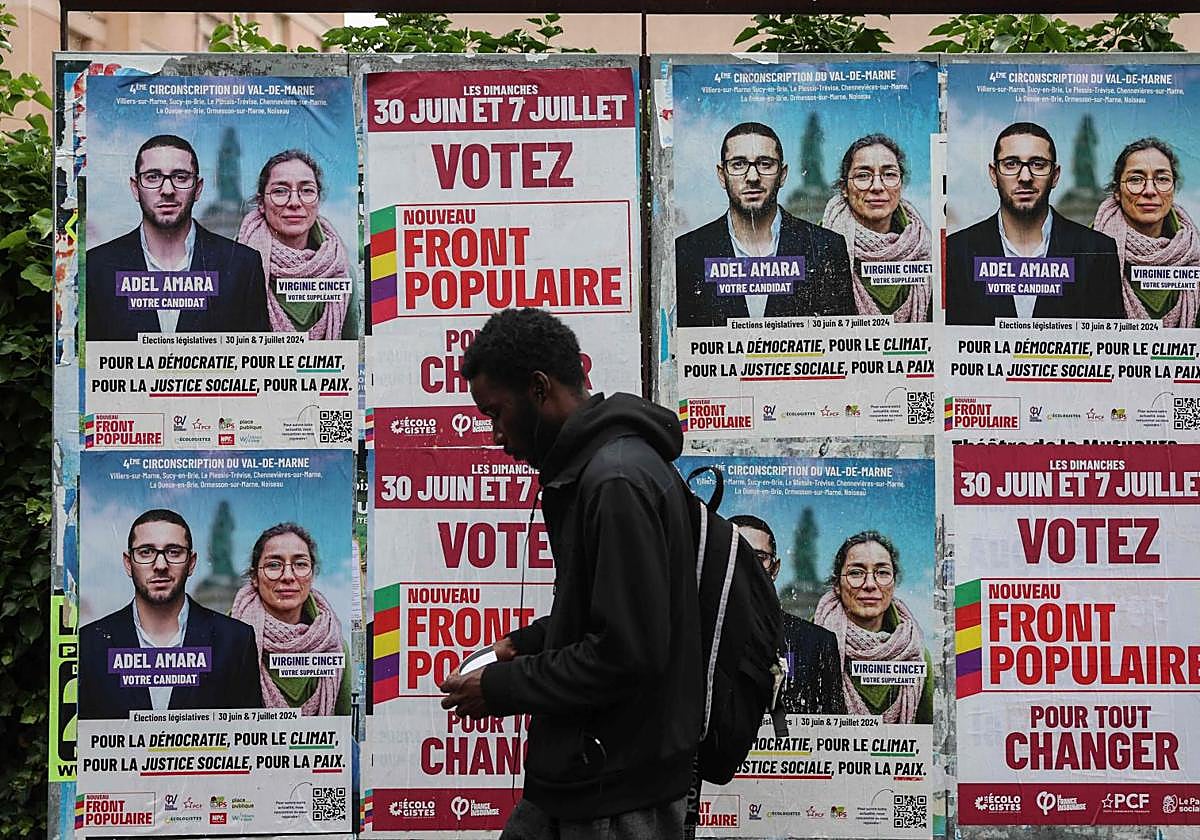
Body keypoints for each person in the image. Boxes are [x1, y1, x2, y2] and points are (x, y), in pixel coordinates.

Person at [439, 308, 701, 840]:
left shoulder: (615, 482)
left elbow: (627, 654)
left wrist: (502, 688)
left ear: (539, 389)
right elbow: (606, 613)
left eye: (496, 413)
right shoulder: (597, 471)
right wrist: (525, 644)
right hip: (584, 775)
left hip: (618, 797)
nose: (495, 435)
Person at [78, 509, 263, 719]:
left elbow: (249, 731)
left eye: (174, 552)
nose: (160, 565)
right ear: (128, 563)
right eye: (146, 552)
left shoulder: (235, 640)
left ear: (191, 563)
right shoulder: (89, 643)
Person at [85, 134, 270, 341]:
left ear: (198, 188)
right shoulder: (96, 267)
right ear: (135, 188)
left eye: (181, 177)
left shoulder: (242, 265)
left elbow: (256, 355)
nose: (167, 190)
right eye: (153, 177)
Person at [675, 122, 854, 327]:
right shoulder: (687, 252)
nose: (752, 177)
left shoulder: (826, 248)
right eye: (738, 164)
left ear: (783, 174)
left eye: (765, 164)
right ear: (722, 175)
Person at [946, 121, 1124, 325]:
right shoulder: (955, 251)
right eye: (1011, 164)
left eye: (1038, 164)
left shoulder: (1098, 251)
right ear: (994, 174)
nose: (1025, 177)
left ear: (1055, 176)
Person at [230, 523, 351, 716]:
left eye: (300, 564)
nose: (288, 576)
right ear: (254, 577)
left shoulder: (333, 645)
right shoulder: (227, 641)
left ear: (312, 574)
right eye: (273, 565)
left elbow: (345, 726)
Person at [812, 531, 932, 724]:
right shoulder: (807, 647)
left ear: (894, 583)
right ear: (837, 585)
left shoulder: (915, 654)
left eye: (882, 573)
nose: (870, 584)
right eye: (856, 573)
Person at [729, 515, 845, 716]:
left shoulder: (817, 644)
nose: (747, 566)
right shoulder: (693, 638)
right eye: (736, 554)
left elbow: (832, 727)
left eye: (759, 558)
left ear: (775, 569)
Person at [238, 150, 353, 339]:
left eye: (307, 191)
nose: (294, 202)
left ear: (318, 200)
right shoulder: (234, 265)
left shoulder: (339, 268)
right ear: (261, 203)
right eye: (280, 191)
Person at [821, 134, 932, 322]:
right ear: (844, 188)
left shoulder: (923, 246)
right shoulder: (818, 245)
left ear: (901, 184)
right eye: (863, 176)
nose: (877, 187)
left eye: (889, 175)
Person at [1092, 137, 1200, 327]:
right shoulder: (1087, 249)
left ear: (1173, 189)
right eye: (1135, 179)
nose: (1150, 190)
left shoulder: (1193, 252)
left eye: (1162, 179)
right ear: (1117, 191)